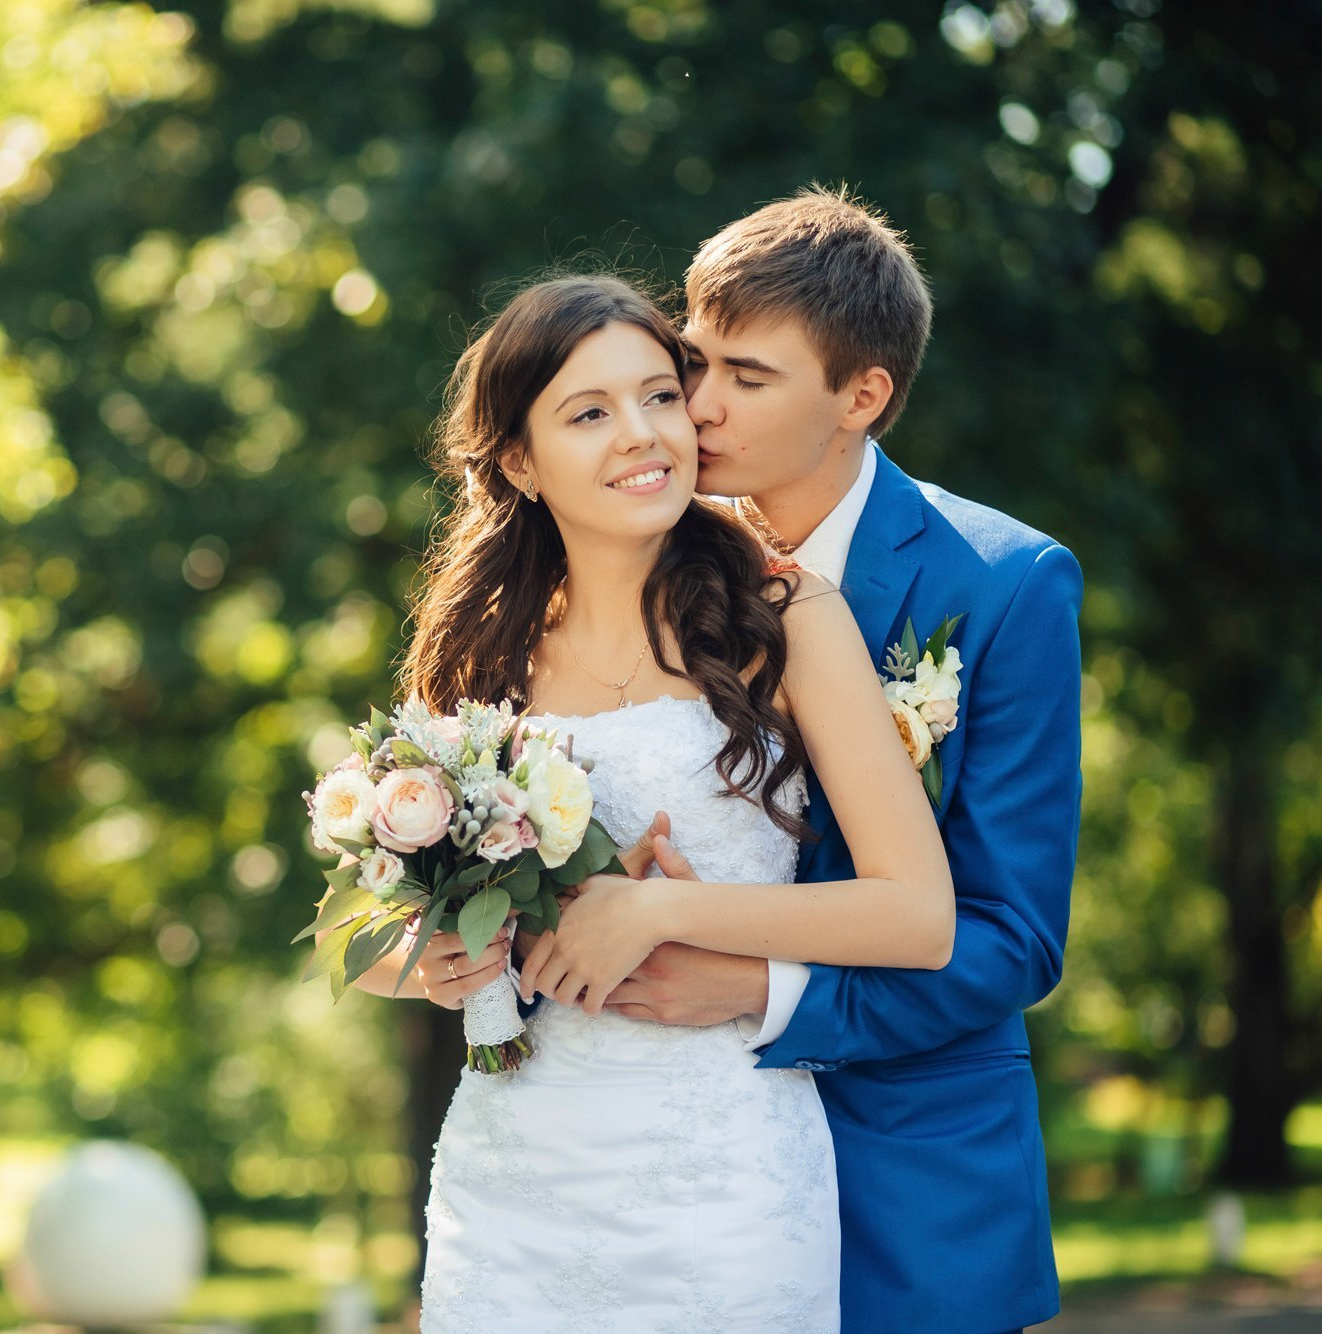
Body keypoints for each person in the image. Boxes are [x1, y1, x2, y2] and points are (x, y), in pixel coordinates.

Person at [332, 270, 955, 1331]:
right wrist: (434, 967)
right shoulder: (478, 651)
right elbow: (374, 935)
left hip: (724, 1179)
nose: (643, 434)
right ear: (520, 461)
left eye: (659, 395)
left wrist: (661, 907)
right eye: (589, 412)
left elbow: (915, 911)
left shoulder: (785, 613)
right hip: (514, 1182)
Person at [597, 187, 1084, 1333]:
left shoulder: (1003, 585)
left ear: (860, 394)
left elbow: (1011, 936)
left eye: (748, 378)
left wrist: (762, 991)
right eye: (693, 360)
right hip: (665, 1177)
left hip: (907, 1193)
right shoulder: (625, 565)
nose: (697, 407)